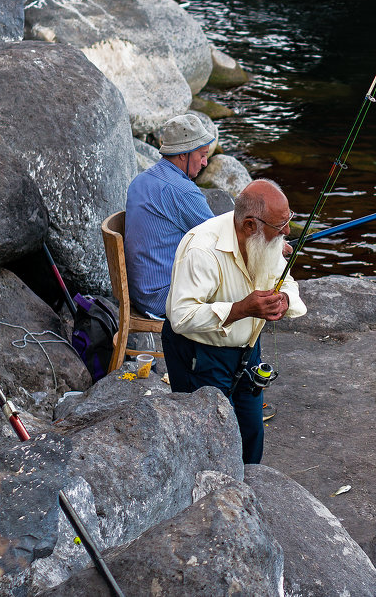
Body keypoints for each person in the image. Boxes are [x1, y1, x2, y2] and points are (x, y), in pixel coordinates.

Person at [163, 178, 306, 464]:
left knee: (252, 432)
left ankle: (247, 499)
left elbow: (285, 280)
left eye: (288, 220)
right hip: (200, 354)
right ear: (250, 225)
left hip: (248, 350)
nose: (287, 232)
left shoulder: (264, 237)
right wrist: (241, 309)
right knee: (211, 441)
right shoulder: (202, 249)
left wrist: (285, 300)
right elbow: (181, 317)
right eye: (280, 227)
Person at [123, 114, 217, 320]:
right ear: (183, 154)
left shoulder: (140, 180)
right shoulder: (183, 191)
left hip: (139, 292)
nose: (205, 162)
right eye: (202, 155)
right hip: (161, 298)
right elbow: (220, 237)